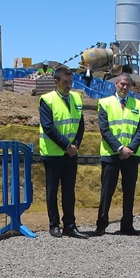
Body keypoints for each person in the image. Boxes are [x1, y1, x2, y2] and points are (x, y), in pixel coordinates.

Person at [94, 73, 140, 236]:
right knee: (107, 191)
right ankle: (101, 225)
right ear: (116, 84)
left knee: (129, 191)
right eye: (122, 84)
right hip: (111, 154)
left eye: (127, 85)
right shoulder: (105, 103)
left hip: (131, 154)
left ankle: (127, 225)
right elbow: (105, 129)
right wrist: (119, 148)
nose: (124, 87)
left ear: (131, 86)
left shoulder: (137, 104)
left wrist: (130, 148)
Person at [39, 67, 87, 239]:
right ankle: (54, 225)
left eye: (70, 82)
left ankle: (70, 225)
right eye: (65, 82)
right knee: (52, 191)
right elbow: (48, 127)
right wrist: (67, 145)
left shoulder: (76, 98)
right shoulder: (47, 100)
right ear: (56, 82)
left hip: (70, 154)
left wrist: (76, 145)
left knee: (69, 191)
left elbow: (80, 125)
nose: (68, 86)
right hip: (53, 154)